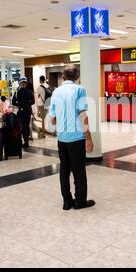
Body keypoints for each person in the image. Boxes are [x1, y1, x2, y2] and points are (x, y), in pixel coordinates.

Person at [49, 65, 95, 211]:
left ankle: (67, 201)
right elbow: (82, 115)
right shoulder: (79, 90)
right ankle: (80, 202)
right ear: (76, 77)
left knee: (64, 169)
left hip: (62, 138)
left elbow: (53, 117)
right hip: (76, 137)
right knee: (79, 171)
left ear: (63, 76)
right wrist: (88, 138)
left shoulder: (56, 91)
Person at [12, 78, 34, 148]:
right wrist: (28, 103)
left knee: (22, 126)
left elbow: (13, 102)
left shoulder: (17, 92)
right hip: (28, 111)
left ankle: (25, 142)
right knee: (26, 126)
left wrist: (19, 104)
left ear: (20, 84)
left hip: (21, 111)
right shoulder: (30, 92)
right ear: (26, 84)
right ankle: (26, 140)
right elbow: (33, 102)